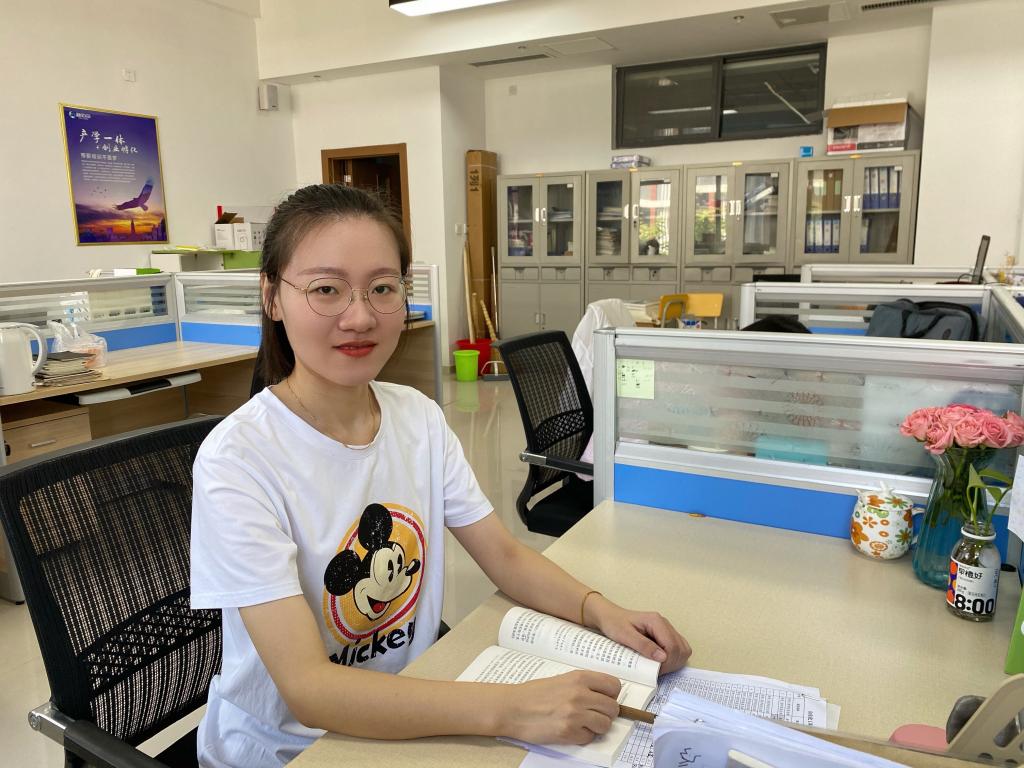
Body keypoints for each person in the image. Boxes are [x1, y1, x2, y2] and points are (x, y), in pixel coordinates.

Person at [190, 184, 691, 768]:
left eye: (383, 288)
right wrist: (512, 709)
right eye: (326, 289)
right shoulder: (239, 459)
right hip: (290, 751)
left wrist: (603, 611)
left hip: (410, 711)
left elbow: (503, 555)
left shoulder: (417, 417)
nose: (360, 316)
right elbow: (309, 689)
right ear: (272, 296)